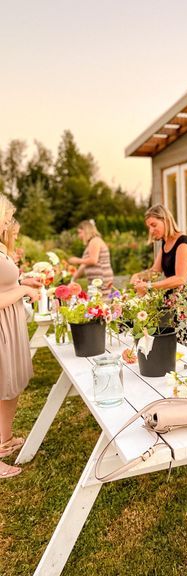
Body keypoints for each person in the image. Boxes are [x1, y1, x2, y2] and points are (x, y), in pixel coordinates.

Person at [0, 194, 42, 478]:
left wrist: (21, 281)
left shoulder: (1, 248)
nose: (10, 222)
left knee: (9, 385)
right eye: (7, 217)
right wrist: (25, 291)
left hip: (10, 323)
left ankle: (4, 442)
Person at [130, 204, 187, 295]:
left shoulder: (183, 244)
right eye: (149, 227)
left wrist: (149, 286)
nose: (151, 230)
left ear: (165, 221)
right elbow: (155, 271)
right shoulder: (166, 243)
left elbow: (180, 279)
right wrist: (138, 276)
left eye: (154, 225)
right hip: (171, 299)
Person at [68, 220, 114, 298]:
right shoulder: (91, 243)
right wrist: (73, 279)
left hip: (101, 278)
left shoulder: (95, 241)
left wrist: (76, 260)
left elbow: (93, 260)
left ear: (86, 231)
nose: (79, 236)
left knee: (100, 301)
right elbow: (84, 265)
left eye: (80, 232)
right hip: (96, 279)